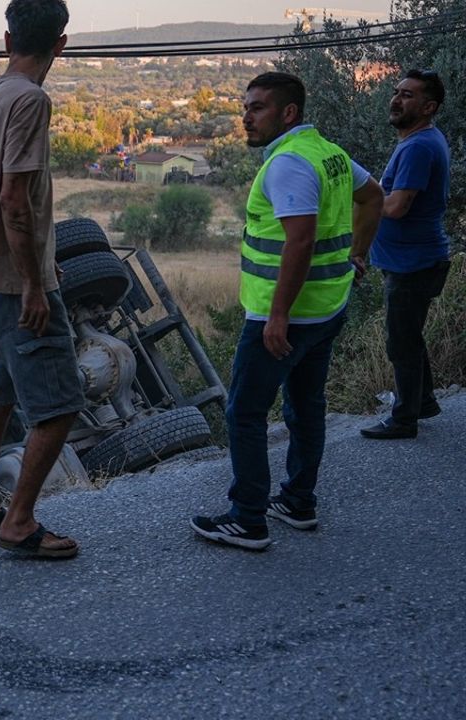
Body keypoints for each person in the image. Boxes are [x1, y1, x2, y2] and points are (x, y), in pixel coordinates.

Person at [191, 72, 383, 550]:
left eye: (257, 107)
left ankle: (248, 519)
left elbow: (299, 240)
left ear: (288, 113)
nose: (245, 116)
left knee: (245, 414)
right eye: (246, 106)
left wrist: (277, 316)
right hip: (327, 309)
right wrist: (358, 254)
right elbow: (373, 195)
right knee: (305, 406)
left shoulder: (287, 163)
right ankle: (298, 502)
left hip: (285, 319)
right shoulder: (329, 153)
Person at [0, 0, 84, 559]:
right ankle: (19, 521)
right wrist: (34, 283)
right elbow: (13, 200)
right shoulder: (32, 99)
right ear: (61, 44)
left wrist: (38, 261)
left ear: (8, 41)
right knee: (59, 407)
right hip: (13, 285)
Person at [359, 69, 453, 440]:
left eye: (408, 95)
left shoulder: (417, 147)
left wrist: (366, 195)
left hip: (413, 264)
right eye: (397, 92)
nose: (397, 99)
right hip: (413, 260)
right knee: (409, 336)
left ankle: (404, 419)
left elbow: (397, 206)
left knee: (400, 342)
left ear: (429, 107)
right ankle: (423, 401)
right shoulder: (419, 140)